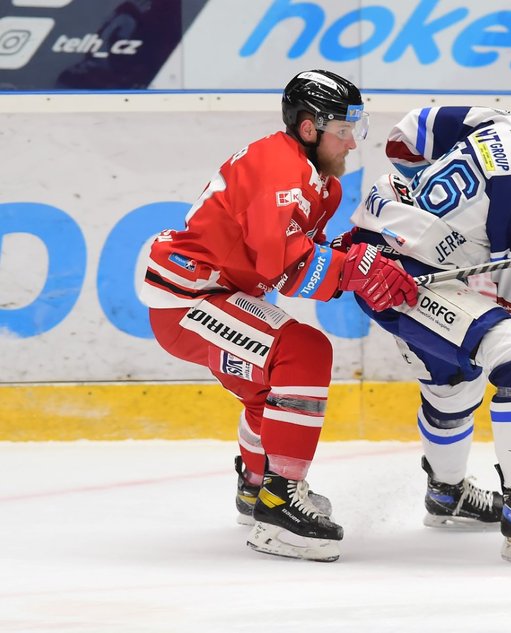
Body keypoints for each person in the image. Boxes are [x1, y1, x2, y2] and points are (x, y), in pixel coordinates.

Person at [141, 69, 418, 562]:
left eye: (356, 129)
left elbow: (298, 254)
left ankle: (255, 487)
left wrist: (356, 257)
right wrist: (353, 270)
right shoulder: (280, 169)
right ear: (309, 128)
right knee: (304, 352)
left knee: (269, 385)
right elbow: (286, 267)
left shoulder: (320, 183)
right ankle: (278, 504)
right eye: (343, 130)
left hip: (218, 292)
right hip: (190, 298)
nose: (353, 143)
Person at [338, 78, 511, 564]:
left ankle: (448, 495)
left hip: (368, 249)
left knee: (454, 381)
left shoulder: (498, 120)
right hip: (405, 280)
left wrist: (426, 210)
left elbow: (405, 137)